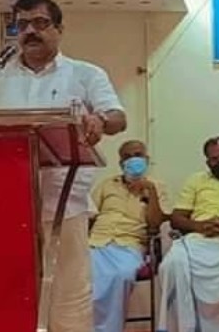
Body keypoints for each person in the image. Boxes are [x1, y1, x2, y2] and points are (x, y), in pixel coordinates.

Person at [0, 0, 126, 331]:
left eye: (40, 23)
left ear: (59, 29)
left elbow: (118, 117)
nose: (30, 31)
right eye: (22, 25)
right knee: (6, 300)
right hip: (4, 207)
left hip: (63, 206)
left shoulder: (85, 74)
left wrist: (100, 120)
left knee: (68, 304)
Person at [158, 136, 219, 332]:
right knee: (171, 264)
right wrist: (199, 226)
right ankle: (184, 326)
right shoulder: (196, 180)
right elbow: (176, 218)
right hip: (198, 237)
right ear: (208, 162)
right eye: (214, 159)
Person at [89, 140, 168, 332]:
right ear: (121, 163)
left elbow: (155, 224)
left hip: (129, 244)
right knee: (83, 276)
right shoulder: (107, 184)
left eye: (138, 155)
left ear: (146, 159)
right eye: (128, 156)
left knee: (122, 275)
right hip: (96, 242)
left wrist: (150, 192)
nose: (133, 159)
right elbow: (89, 215)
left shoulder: (157, 187)